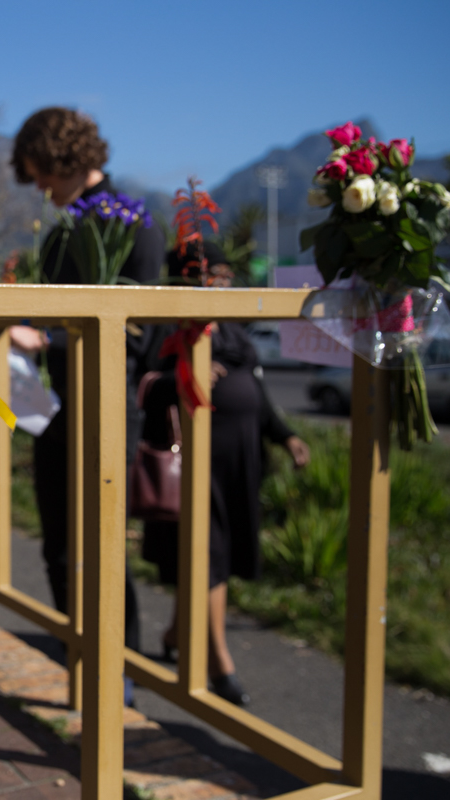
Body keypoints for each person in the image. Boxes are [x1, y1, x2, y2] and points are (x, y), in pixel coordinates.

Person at [7, 108, 165, 701]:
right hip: (56, 405)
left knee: (100, 542)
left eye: (41, 175)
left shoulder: (137, 225)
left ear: (61, 158)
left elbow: (140, 332)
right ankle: (82, 653)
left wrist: (44, 337)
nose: (41, 190)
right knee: (57, 541)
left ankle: (117, 671)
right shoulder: (61, 232)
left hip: (108, 406)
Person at [141, 243, 310, 706]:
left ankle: (177, 632)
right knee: (208, 556)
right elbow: (143, 385)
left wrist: (285, 435)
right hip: (196, 465)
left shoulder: (233, 328)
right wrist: (183, 377)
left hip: (239, 462)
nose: (223, 282)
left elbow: (255, 388)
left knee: (219, 555)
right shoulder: (168, 325)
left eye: (226, 274)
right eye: (213, 274)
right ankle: (218, 661)